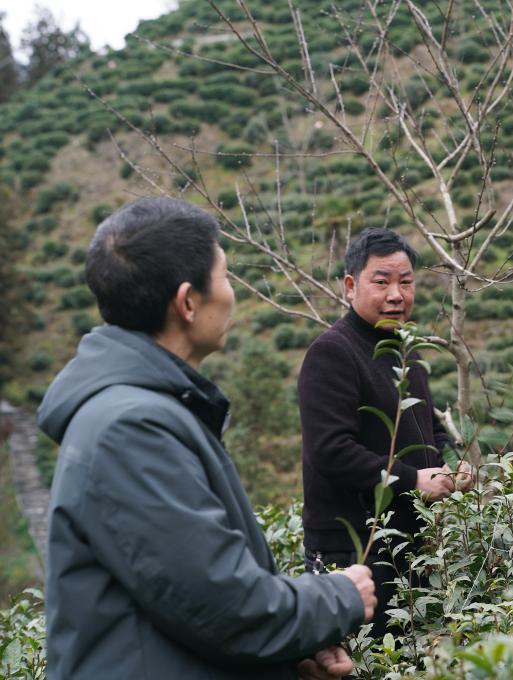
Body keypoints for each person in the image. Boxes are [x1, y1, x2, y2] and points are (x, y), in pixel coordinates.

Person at [38, 197, 376, 680]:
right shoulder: (130, 429)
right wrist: (338, 597)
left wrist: (285, 660)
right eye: (224, 276)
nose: (232, 292)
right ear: (188, 302)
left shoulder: (150, 411)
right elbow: (222, 605)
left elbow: (172, 606)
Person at [298, 227, 471, 638]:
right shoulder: (333, 352)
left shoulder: (404, 351)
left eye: (406, 282)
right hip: (353, 549)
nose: (396, 294)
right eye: (382, 282)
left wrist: (453, 465)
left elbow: (429, 430)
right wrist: (413, 480)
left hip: (409, 546)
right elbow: (332, 452)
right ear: (350, 285)